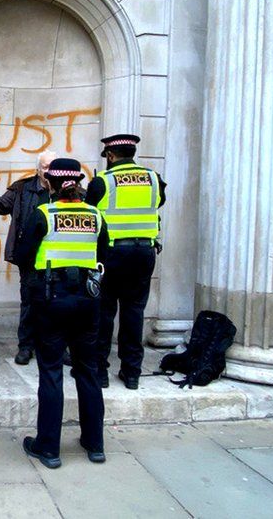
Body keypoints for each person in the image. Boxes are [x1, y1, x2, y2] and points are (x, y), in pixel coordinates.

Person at [14, 157, 108, 468]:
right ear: (79, 182)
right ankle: (95, 444)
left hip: (51, 301)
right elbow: (103, 255)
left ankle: (49, 449)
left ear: (51, 183)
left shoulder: (44, 213)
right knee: (88, 371)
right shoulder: (96, 215)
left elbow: (23, 255)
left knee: (51, 373)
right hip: (88, 302)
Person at [85, 134, 166, 389]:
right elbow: (160, 202)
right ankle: (132, 373)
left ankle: (99, 371)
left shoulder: (103, 181)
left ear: (110, 156)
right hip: (144, 253)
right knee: (134, 312)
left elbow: (89, 214)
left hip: (113, 255)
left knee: (105, 312)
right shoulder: (154, 178)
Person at [0, 151, 56, 365]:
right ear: (38, 169)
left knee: (56, 303)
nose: (48, 171)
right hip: (31, 258)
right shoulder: (23, 188)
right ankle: (25, 347)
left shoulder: (67, 190)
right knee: (29, 303)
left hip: (59, 257)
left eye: (52, 167)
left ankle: (56, 347)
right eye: (45, 167)